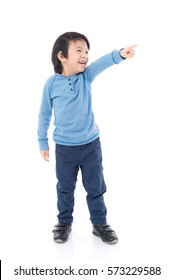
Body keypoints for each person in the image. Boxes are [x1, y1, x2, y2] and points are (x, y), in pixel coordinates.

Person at [37, 31, 137, 244]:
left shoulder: (86, 77)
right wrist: (42, 141)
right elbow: (44, 114)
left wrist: (119, 54)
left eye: (87, 51)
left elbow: (103, 63)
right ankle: (64, 223)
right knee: (65, 187)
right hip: (64, 148)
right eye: (79, 51)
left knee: (95, 186)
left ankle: (99, 223)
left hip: (91, 145)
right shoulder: (51, 84)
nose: (85, 55)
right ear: (62, 56)